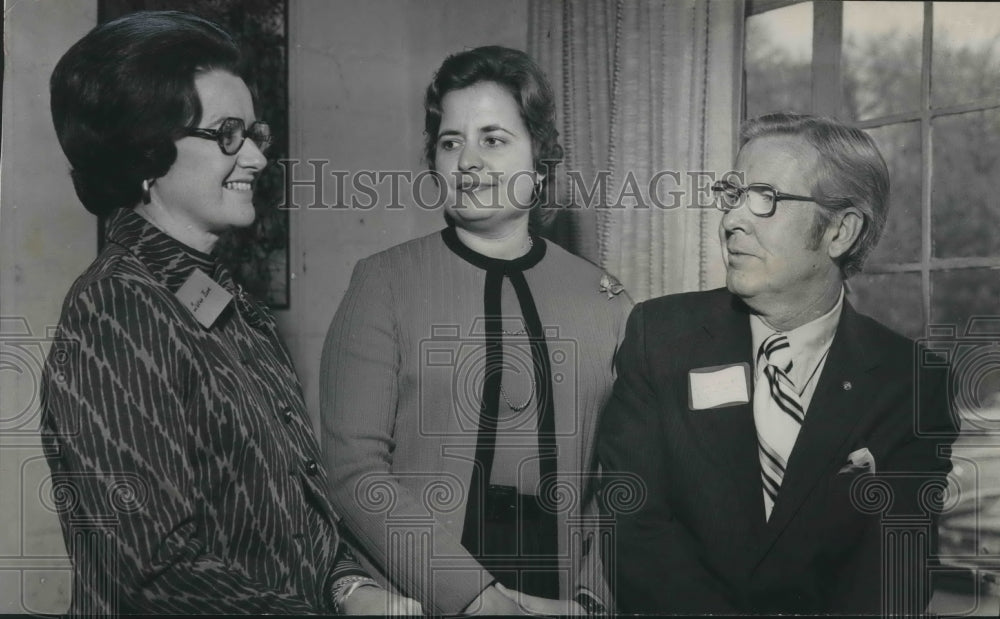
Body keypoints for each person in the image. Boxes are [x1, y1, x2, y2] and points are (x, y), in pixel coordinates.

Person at [40, 11, 419, 615]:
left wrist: (351, 589)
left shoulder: (222, 299)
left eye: (253, 135)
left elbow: (294, 514)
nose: (256, 159)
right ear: (146, 149)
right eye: (226, 135)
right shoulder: (116, 308)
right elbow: (154, 572)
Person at [597, 112, 958, 614]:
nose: (731, 220)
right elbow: (631, 523)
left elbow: (896, 574)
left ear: (840, 231)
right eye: (733, 194)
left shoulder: (912, 381)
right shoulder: (658, 336)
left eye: (765, 198)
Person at [320, 45, 631, 615]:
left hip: (558, 591)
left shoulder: (605, 298)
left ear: (540, 157)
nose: (467, 162)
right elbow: (352, 470)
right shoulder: (382, 282)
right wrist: (473, 598)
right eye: (450, 141)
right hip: (415, 589)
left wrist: (592, 600)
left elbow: (623, 475)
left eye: (493, 138)